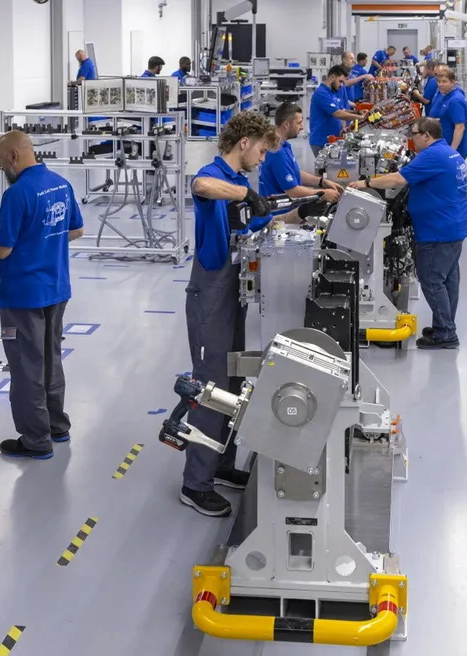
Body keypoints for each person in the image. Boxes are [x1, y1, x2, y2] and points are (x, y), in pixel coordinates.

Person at [181, 112, 326, 516]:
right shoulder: (215, 176)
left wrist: (303, 210)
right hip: (210, 291)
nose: (263, 158)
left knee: (232, 380)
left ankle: (222, 465)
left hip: (235, 292)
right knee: (210, 385)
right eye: (261, 150)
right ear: (243, 142)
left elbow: (268, 219)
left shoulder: (245, 184)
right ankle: (195, 484)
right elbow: (201, 186)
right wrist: (244, 196)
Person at [0, 131, 85, 458]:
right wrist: (39, 242)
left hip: (23, 296)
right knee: (51, 361)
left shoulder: (17, 194)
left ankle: (36, 441)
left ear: (12, 157)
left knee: (26, 368)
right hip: (57, 288)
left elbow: (3, 250)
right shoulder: (60, 184)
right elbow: (76, 230)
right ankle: (57, 427)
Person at [348, 118, 467, 350]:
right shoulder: (447, 152)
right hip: (455, 225)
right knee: (448, 279)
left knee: (432, 280)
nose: (411, 138)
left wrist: (365, 182)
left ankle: (446, 334)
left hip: (438, 230)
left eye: (413, 134)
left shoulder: (431, 155)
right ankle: (444, 325)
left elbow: (398, 178)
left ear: (426, 135)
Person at [259, 102, 342, 211]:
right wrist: (323, 193)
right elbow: (293, 191)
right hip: (281, 217)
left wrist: (321, 181)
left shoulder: (283, 145)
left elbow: (293, 173)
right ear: (286, 124)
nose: (302, 127)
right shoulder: (277, 152)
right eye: (299, 123)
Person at [308, 65, 366, 157]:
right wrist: (361, 117)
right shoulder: (322, 93)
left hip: (332, 139)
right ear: (332, 77)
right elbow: (338, 114)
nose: (342, 85)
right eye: (340, 81)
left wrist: (357, 112)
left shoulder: (333, 92)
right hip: (321, 141)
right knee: (324, 170)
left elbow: (342, 110)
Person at [428, 67, 467, 160]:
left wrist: (452, 152)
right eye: (439, 82)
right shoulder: (447, 96)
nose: (440, 84)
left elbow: (460, 127)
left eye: (444, 81)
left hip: (455, 148)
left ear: (453, 82)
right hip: (446, 145)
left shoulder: (455, 100)